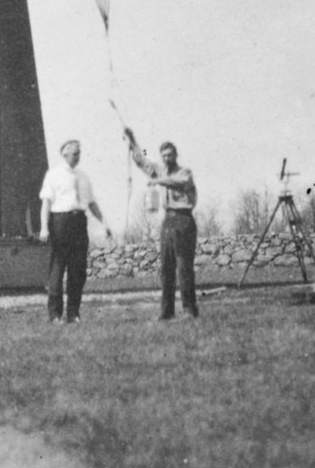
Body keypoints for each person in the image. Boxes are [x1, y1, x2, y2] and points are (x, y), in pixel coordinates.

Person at [124, 127, 199, 319]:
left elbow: (178, 182)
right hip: (168, 220)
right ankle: (167, 312)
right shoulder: (159, 170)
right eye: (163, 155)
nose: (166, 158)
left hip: (184, 219)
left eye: (169, 155)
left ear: (176, 155)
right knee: (166, 268)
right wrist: (133, 141)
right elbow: (143, 160)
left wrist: (158, 181)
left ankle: (189, 310)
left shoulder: (185, 172)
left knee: (184, 268)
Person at [38, 139, 113, 323]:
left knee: (78, 270)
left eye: (79, 153)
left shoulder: (83, 177)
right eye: (74, 153)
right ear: (64, 154)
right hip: (60, 222)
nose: (77, 156)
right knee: (57, 269)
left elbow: (92, 203)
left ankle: (73, 313)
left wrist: (104, 223)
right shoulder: (53, 175)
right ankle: (55, 314)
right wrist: (44, 227)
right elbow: (46, 203)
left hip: (79, 222)